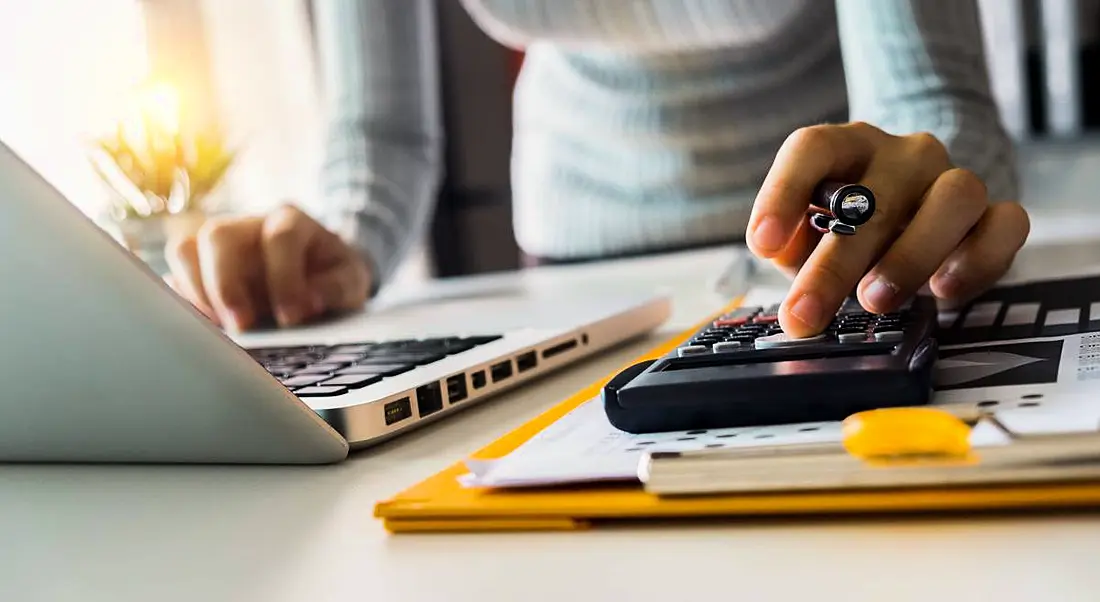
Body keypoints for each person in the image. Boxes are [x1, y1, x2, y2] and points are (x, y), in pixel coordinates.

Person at [165, 0, 1029, 339]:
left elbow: (930, 102)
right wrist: (336, 245)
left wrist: (919, 198)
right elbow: (378, 133)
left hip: (829, 255)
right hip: (568, 279)